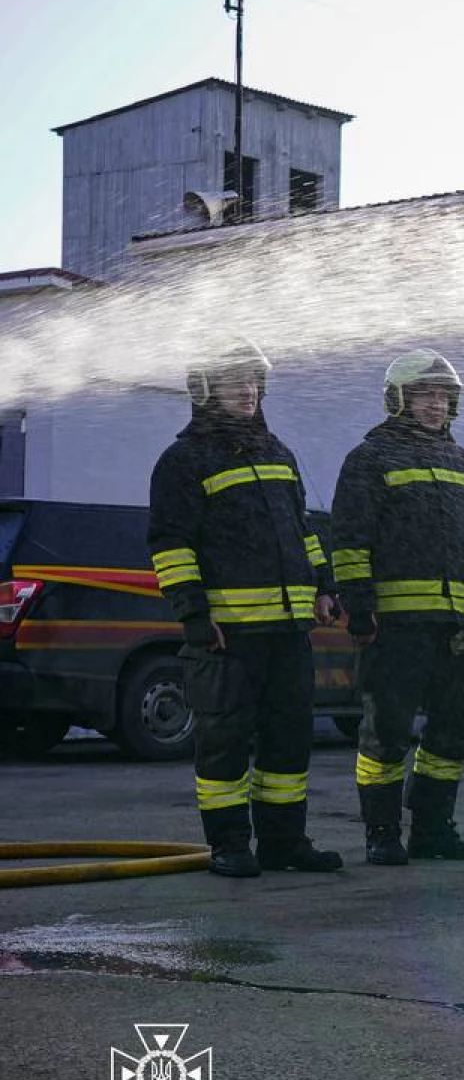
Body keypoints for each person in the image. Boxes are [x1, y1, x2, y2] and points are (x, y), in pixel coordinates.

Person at [148, 340, 345, 878]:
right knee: (225, 741)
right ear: (204, 390)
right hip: (227, 634)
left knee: (289, 738)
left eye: (253, 381)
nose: (246, 390)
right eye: (234, 381)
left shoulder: (277, 453)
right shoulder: (183, 459)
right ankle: (229, 844)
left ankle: (284, 843)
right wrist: (191, 612)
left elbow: (302, 532)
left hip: (287, 631)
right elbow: (171, 544)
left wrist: (324, 586)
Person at [330, 349, 464, 865]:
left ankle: (433, 828)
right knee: (387, 729)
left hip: (462, 626)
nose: (434, 405)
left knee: (454, 728)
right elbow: (350, 541)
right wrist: (359, 608)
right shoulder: (370, 459)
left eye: (442, 396)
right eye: (423, 395)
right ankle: (381, 833)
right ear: (398, 400)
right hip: (398, 625)